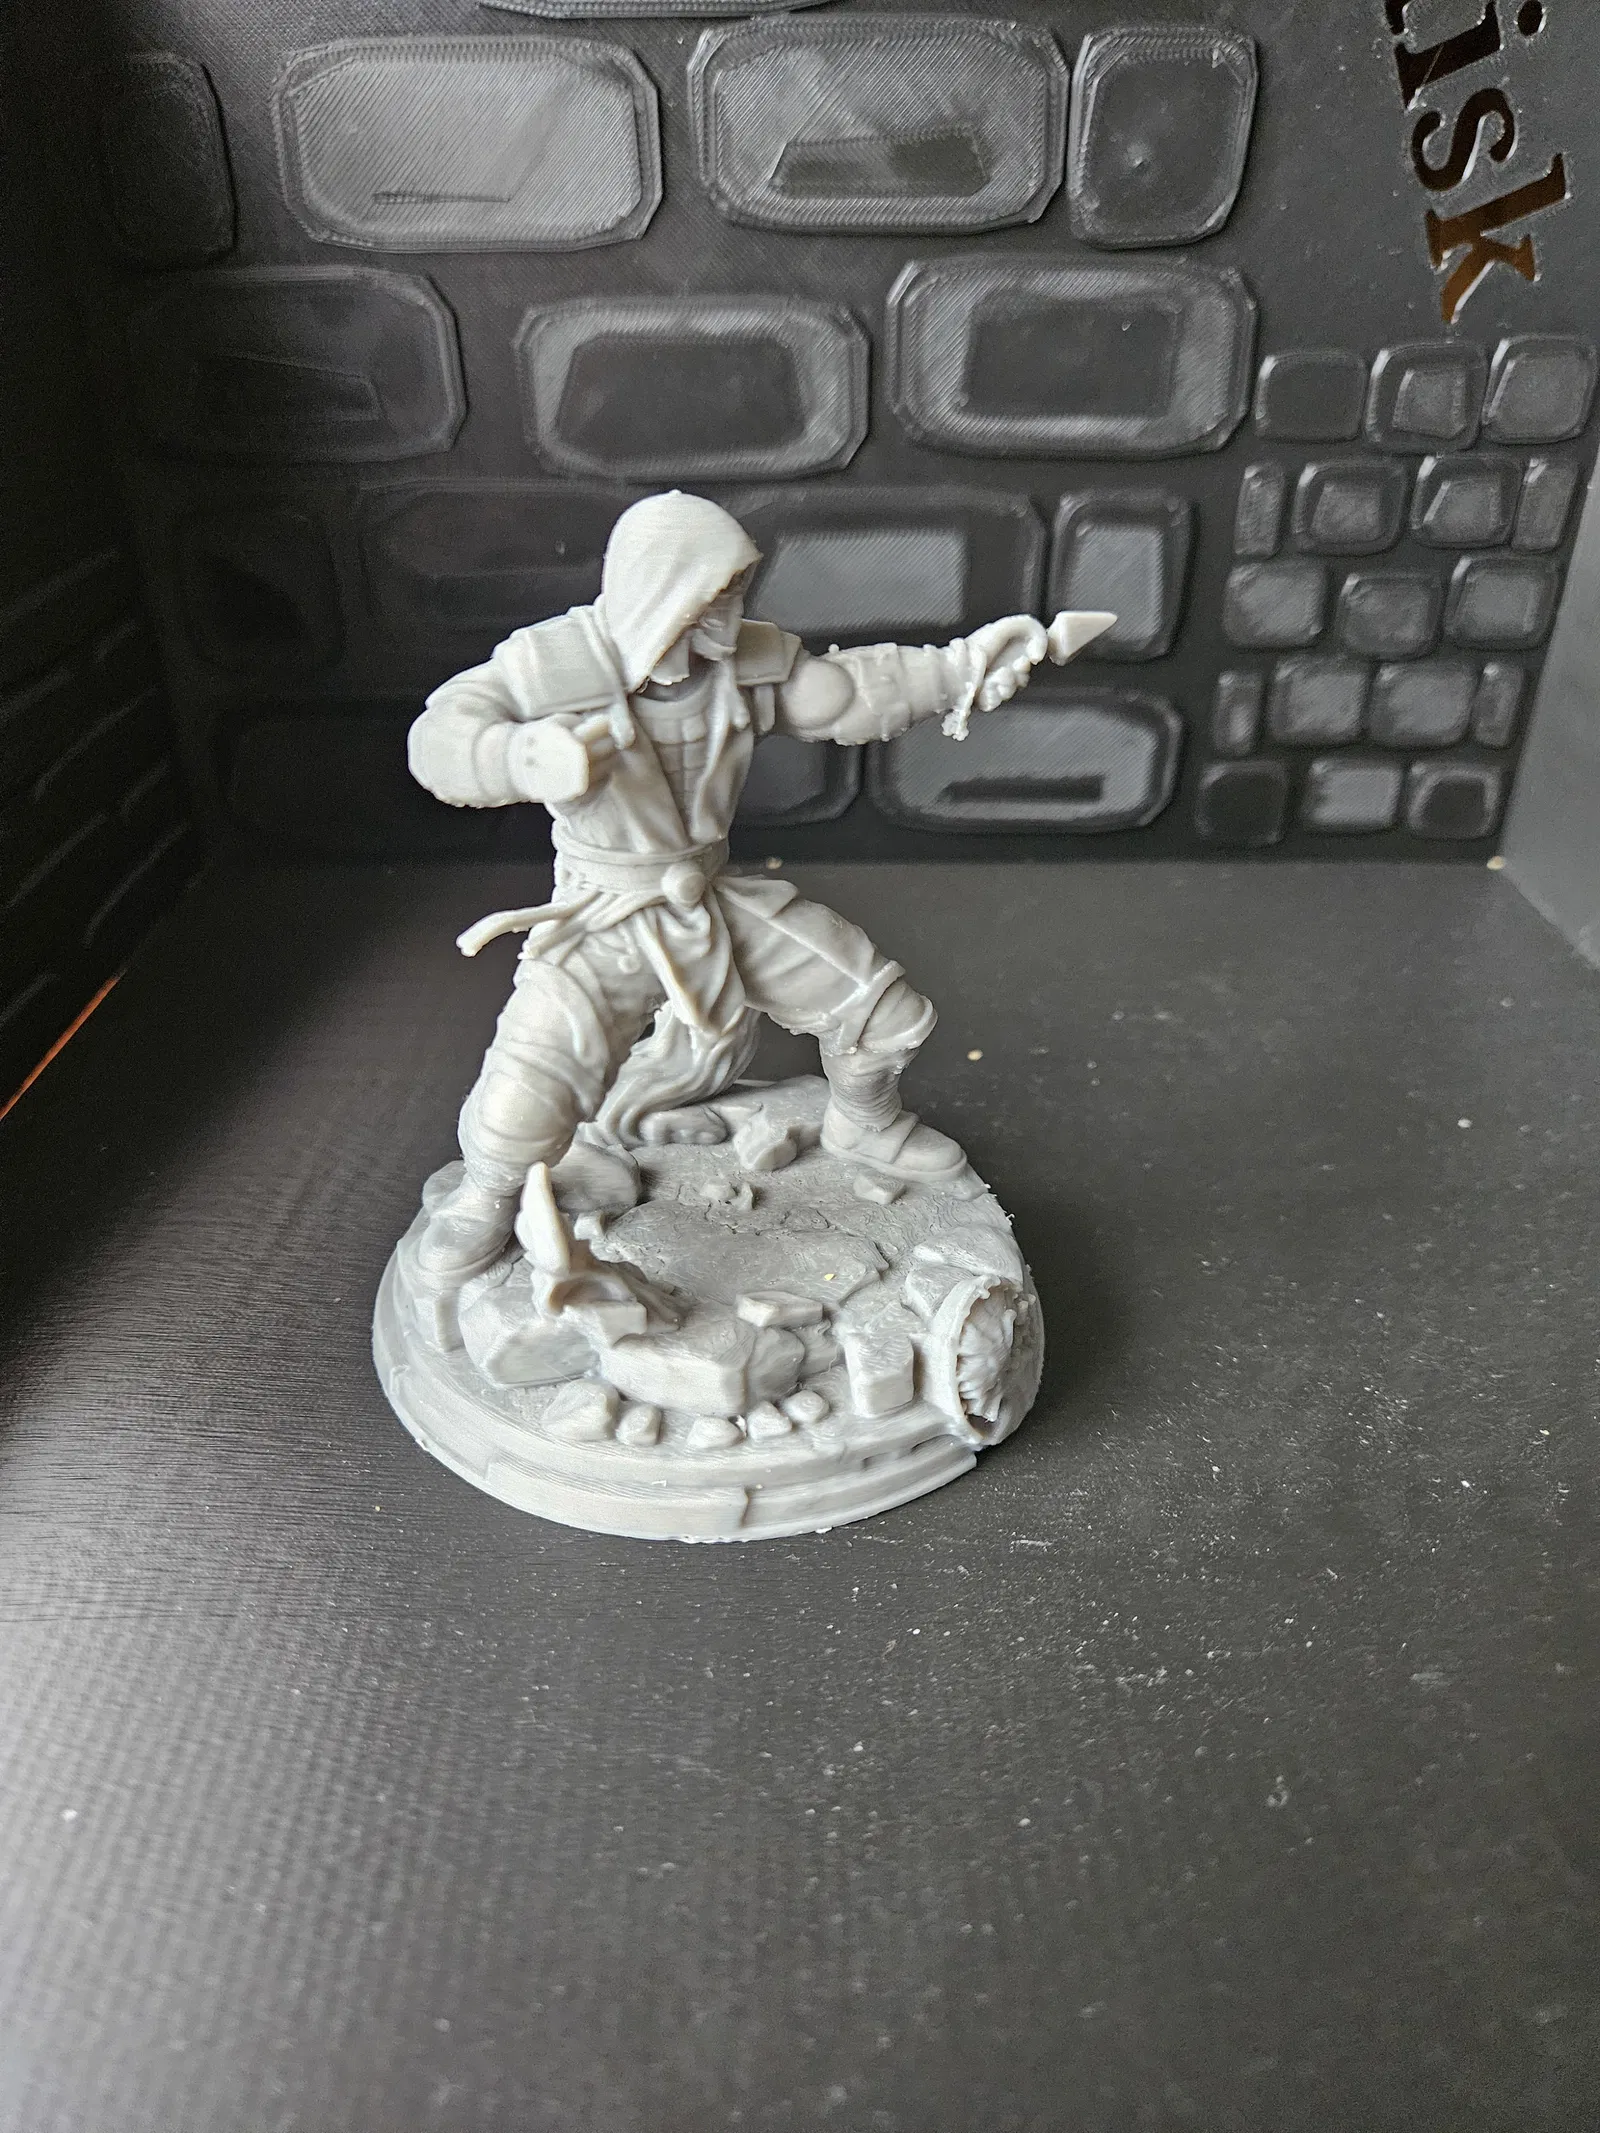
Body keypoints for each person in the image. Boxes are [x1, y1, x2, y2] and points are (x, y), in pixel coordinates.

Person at [406, 491, 1109, 1288]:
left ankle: (864, 1123)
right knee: (526, 1092)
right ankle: (486, 1196)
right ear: (660, 591)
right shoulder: (555, 667)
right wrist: (522, 758)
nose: (733, 612)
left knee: (883, 1014)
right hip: (605, 917)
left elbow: (847, 694)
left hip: (713, 903)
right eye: (716, 595)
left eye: (737, 590)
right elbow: (440, 739)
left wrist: (960, 668)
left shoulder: (742, 663)